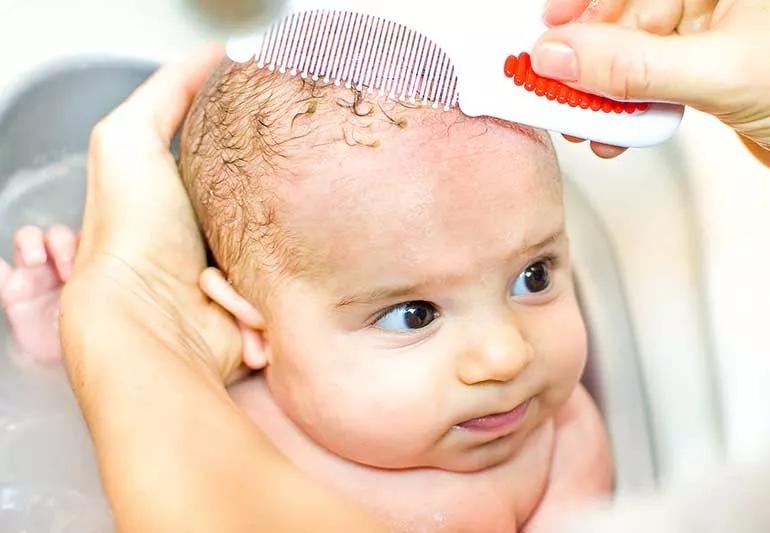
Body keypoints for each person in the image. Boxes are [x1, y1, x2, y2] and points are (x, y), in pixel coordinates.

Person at [2, 0, 769, 531]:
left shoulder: (560, 446)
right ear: (247, 327)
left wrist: (115, 319)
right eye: (414, 314)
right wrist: (60, 340)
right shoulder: (229, 401)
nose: (506, 354)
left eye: (534, 275)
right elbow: (85, 439)